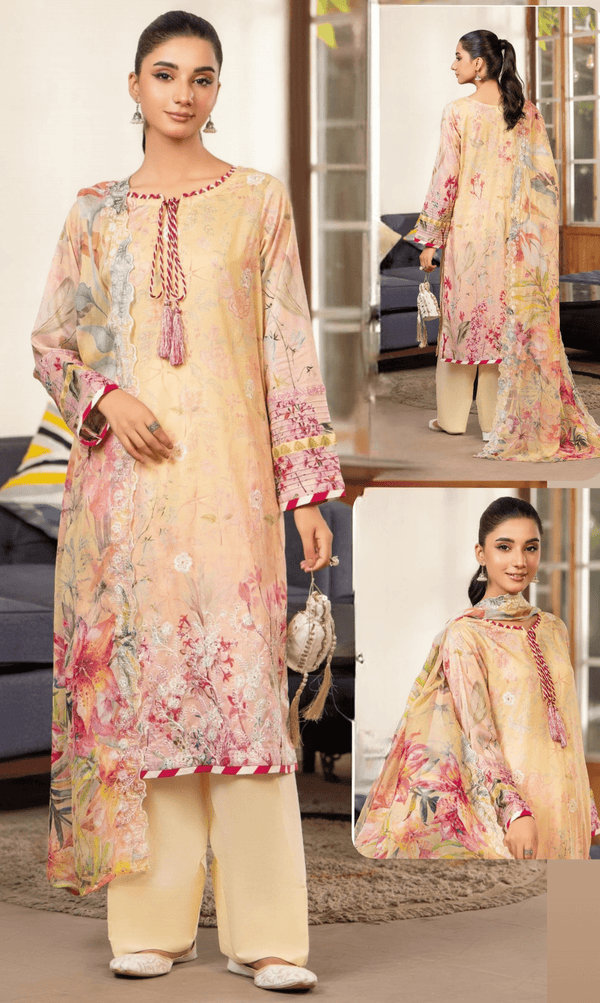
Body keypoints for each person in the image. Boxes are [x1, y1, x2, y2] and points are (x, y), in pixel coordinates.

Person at [31, 11, 345, 991]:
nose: (182, 92)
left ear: (217, 91)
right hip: (124, 502)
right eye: (164, 74)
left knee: (241, 694)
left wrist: (305, 493)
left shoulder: (257, 201)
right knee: (146, 695)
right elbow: (52, 344)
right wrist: (106, 398)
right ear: (134, 86)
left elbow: (288, 348)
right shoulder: (93, 213)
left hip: (231, 487)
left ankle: (269, 936)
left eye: (202, 76)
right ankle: (152, 925)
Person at [354, 497, 599, 860]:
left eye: (530, 548)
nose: (520, 561)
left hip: (565, 804)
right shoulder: (465, 635)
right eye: (505, 547)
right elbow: (478, 736)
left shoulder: (553, 629)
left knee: (569, 897)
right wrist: (514, 811)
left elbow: (568, 727)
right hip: (514, 809)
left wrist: (585, 805)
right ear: (481, 554)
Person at [417, 30, 600, 461]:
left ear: (479, 64)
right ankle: (496, 422)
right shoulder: (526, 113)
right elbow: (546, 182)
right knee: (502, 327)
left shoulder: (458, 112)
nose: (453, 65)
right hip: (515, 241)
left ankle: (453, 419)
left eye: (458, 56)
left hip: (469, 236)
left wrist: (428, 241)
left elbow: (445, 180)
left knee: (463, 323)